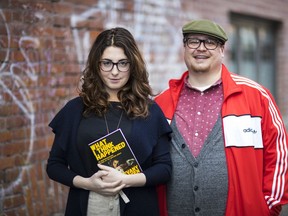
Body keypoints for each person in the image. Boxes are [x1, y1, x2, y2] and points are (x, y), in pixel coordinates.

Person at [155, 19, 288, 216]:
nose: (201, 48)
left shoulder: (256, 96)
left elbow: (278, 154)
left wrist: (268, 207)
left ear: (222, 50)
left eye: (210, 42)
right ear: (184, 47)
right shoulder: (160, 102)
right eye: (193, 41)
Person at [46, 27, 172, 216]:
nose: (115, 72)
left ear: (133, 65)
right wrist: (88, 183)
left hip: (138, 206)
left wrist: (126, 179)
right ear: (96, 65)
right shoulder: (74, 110)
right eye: (107, 63)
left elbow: (164, 169)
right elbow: (54, 166)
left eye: (123, 63)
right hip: (88, 206)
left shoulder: (150, 111)